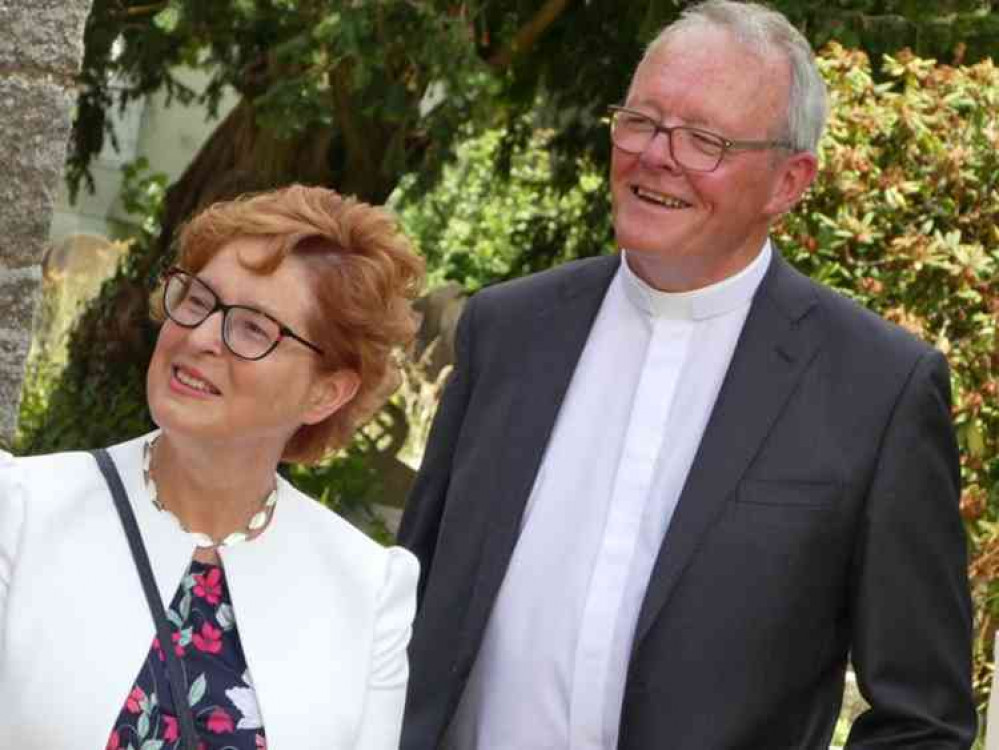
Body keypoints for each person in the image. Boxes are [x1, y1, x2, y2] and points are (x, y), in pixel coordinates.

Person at [398, 2, 977, 748]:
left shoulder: (876, 388)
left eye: (703, 139)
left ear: (787, 182)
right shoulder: (508, 330)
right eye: (640, 121)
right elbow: (408, 608)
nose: (655, 155)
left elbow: (923, 720)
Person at [0, 185, 425, 749]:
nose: (199, 337)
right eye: (198, 300)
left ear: (326, 393)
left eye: (253, 327)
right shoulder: (20, 509)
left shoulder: (371, 591)